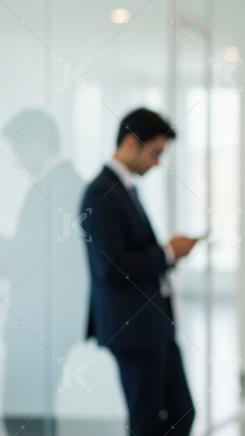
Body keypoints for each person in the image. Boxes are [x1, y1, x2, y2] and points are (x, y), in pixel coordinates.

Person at [80, 108, 198, 436]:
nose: (159, 162)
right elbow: (111, 266)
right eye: (156, 153)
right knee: (146, 420)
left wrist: (168, 255)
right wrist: (168, 253)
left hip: (153, 324)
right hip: (132, 328)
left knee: (180, 412)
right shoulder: (100, 193)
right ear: (132, 143)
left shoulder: (125, 189)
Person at [0, 110, 87, 435]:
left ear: (36, 143)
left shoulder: (50, 190)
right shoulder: (70, 184)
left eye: (19, 149)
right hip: (49, 323)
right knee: (35, 414)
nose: (18, 159)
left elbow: (32, 259)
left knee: (23, 417)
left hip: (38, 324)